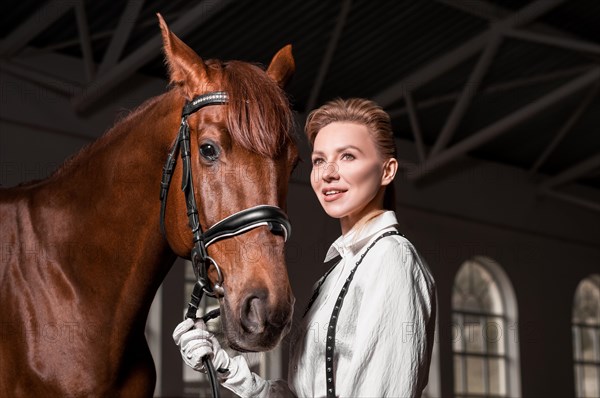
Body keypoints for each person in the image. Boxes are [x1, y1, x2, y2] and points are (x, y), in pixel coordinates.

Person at [173, 98, 437, 397]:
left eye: (348, 156)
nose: (328, 173)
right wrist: (225, 367)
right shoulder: (337, 272)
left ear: (387, 171)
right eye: (319, 160)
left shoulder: (391, 259)